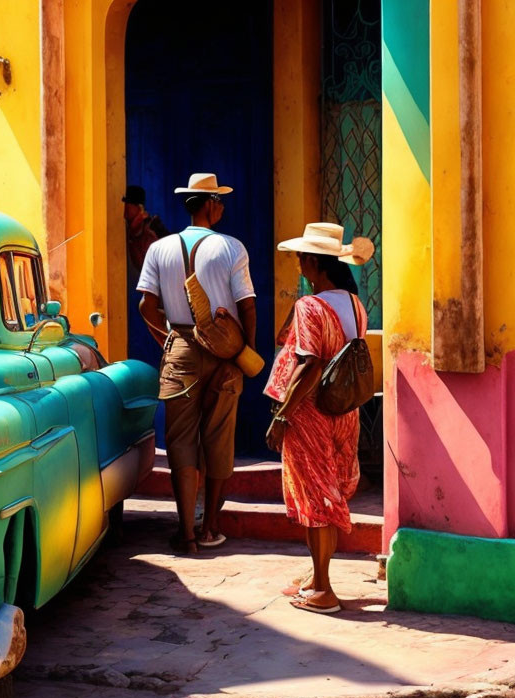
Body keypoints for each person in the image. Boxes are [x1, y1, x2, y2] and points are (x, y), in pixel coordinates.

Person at [137, 172, 257, 554]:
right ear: (208, 205)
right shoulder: (231, 247)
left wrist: (168, 339)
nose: (221, 207)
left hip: (181, 350)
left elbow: (146, 306)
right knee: (219, 437)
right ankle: (212, 527)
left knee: (181, 442)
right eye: (219, 201)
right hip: (225, 352)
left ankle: (186, 533)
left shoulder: (160, 249)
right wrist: (243, 351)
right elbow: (247, 305)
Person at [263, 222, 375, 614]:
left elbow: (309, 365)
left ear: (313, 261)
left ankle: (324, 589)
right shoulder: (355, 304)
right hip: (344, 410)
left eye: (300, 258)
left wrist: (282, 415)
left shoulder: (311, 306)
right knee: (327, 492)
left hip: (310, 411)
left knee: (316, 499)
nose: (297, 263)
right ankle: (316, 576)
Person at [123, 185, 171, 274]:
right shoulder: (124, 229)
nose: (125, 207)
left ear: (139, 207)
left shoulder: (153, 228)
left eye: (129, 203)